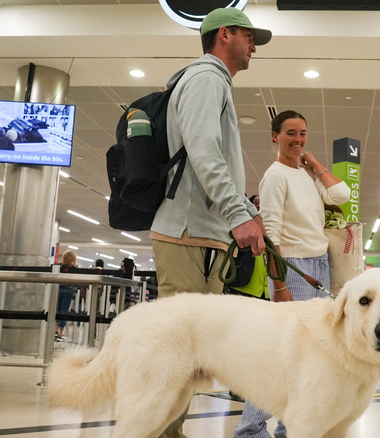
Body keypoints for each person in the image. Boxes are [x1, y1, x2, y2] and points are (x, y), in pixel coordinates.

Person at [147, 8, 272, 438]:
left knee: (191, 357)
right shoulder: (205, 78)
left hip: (202, 236)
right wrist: (237, 213)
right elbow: (203, 152)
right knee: (176, 357)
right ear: (224, 35)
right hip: (188, 235)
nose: (254, 45)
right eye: (249, 36)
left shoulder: (213, 81)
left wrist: (244, 212)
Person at [239, 110, 349, 438]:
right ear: (275, 136)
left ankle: (291, 428)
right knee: (280, 356)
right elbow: (270, 233)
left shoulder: (306, 173)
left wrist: (316, 166)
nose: (297, 139)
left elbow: (342, 196)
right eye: (290, 133)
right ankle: (249, 430)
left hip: (319, 265)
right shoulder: (274, 176)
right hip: (294, 269)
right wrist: (280, 284)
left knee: (309, 357)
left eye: (302, 133)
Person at [55, 250, 78, 342]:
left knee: (56, 310)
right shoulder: (75, 268)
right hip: (68, 290)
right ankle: (61, 333)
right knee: (64, 311)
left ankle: (55, 331)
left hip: (58, 289)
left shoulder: (59, 267)